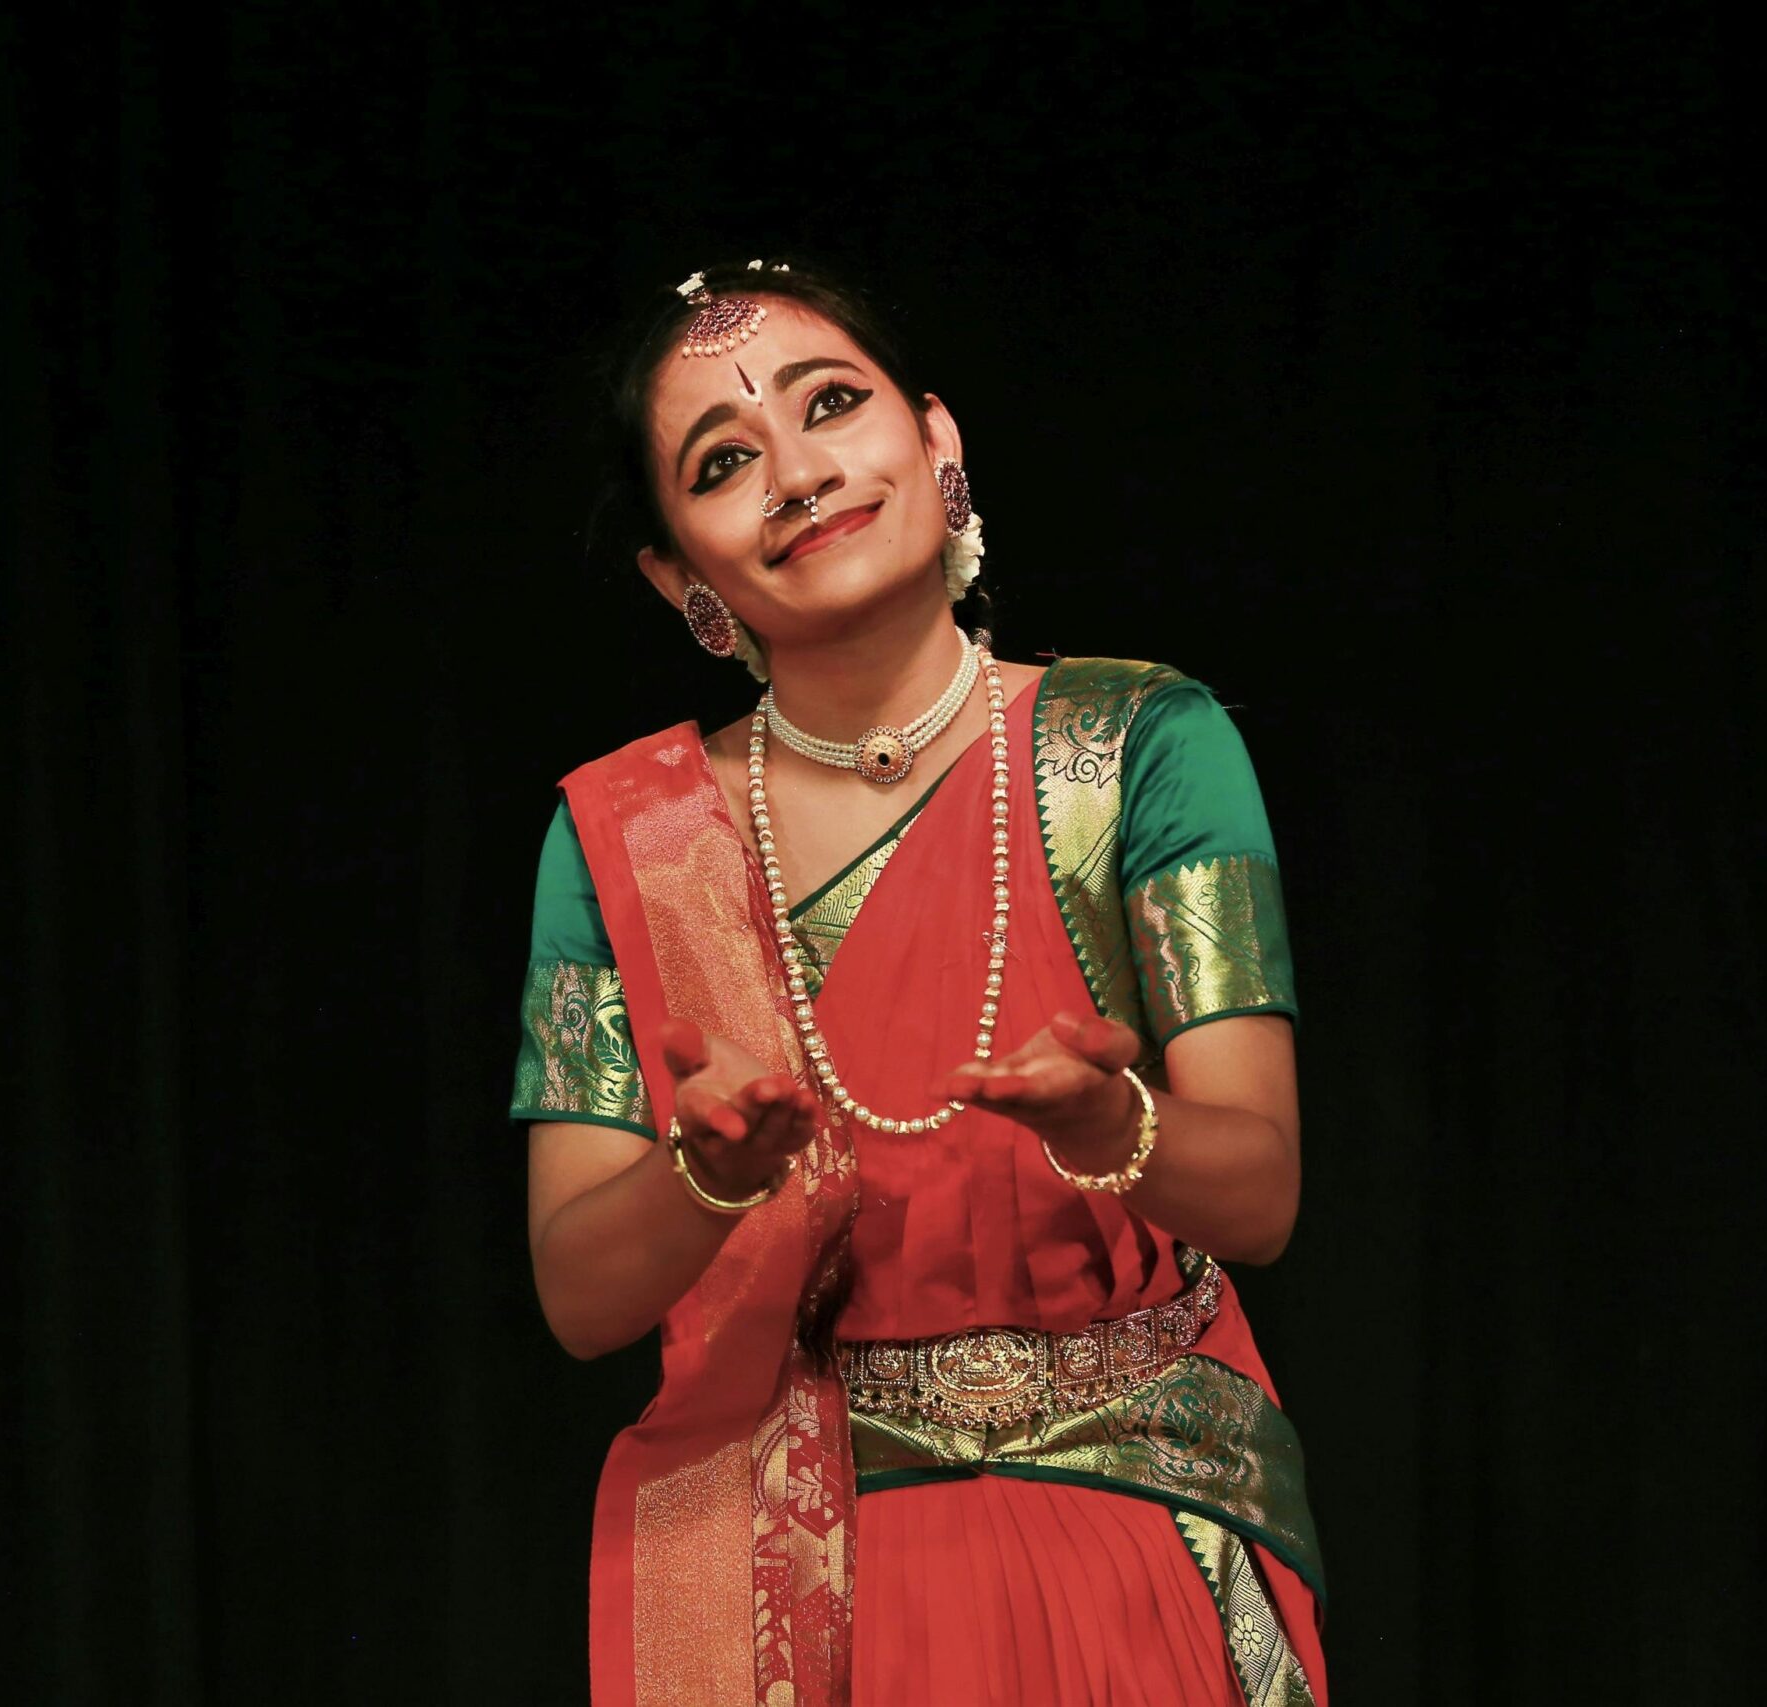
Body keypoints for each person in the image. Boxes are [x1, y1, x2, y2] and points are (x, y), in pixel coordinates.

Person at [513, 258, 1327, 1705]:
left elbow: (1258, 1192)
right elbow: (580, 1293)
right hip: (806, 1594)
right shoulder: (630, 844)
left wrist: (1109, 1127)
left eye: (834, 403)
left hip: (1132, 1547)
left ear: (938, 441)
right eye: (724, 462)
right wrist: (704, 1174)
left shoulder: (1138, 748)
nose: (800, 472)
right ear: (679, 575)